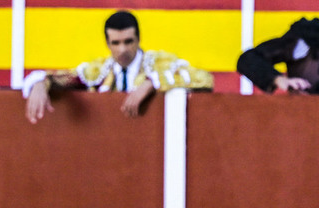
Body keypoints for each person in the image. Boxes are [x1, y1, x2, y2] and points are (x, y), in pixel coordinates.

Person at [22, 11, 213, 124]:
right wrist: (41, 82)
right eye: (116, 43)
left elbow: (204, 78)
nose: (123, 49)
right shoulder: (98, 70)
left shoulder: (158, 63)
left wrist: (150, 83)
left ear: (138, 39)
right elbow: (65, 78)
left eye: (128, 41)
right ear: (107, 43)